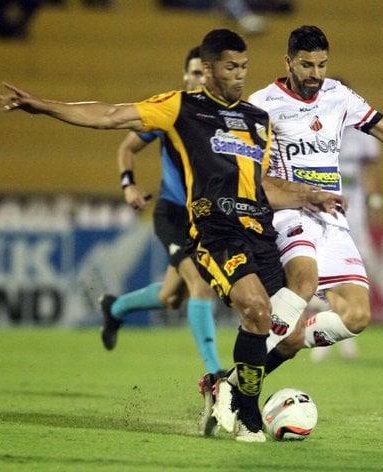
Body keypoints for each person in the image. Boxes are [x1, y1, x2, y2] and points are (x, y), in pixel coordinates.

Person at [0, 28, 344, 442]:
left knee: (278, 326)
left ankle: (224, 390)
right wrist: (42, 106)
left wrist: (309, 195)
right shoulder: (181, 108)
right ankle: (249, 418)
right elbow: (110, 115)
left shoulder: (258, 121)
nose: (239, 76)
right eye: (231, 67)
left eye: (245, 67)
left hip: (258, 230)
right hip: (215, 229)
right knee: (254, 308)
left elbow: (264, 186)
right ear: (209, 69)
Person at [211, 25, 383, 432]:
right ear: (288, 62)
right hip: (289, 213)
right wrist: (295, 194)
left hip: (332, 219)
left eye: (322, 64)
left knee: (355, 316)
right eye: (306, 65)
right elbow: (249, 176)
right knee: (304, 282)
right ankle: (243, 399)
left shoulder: (338, 97)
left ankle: (230, 385)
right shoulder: (262, 105)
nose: (315, 73)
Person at [97, 47, 226, 414]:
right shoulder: (172, 114)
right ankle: (215, 373)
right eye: (194, 73)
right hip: (172, 215)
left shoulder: (228, 118)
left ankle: (116, 306)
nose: (199, 80)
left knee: (172, 297)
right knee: (200, 287)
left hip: (205, 219)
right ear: (185, 77)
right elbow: (127, 147)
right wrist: (128, 185)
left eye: (205, 74)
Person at [310, 78, 383, 362]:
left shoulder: (362, 132)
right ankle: (327, 335)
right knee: (324, 275)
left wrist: (375, 198)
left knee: (361, 273)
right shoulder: (315, 129)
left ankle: (342, 328)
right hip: (325, 213)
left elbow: (370, 171)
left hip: (357, 216)